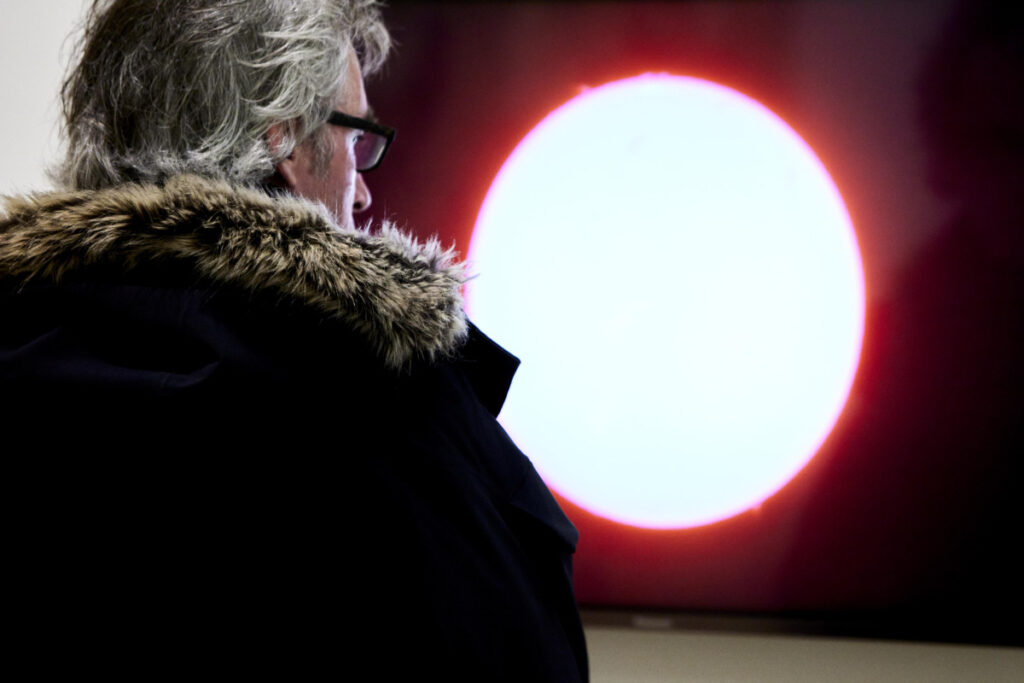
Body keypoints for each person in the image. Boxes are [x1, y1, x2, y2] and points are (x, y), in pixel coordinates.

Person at [0, 1, 588, 679]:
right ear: (281, 140)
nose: (361, 195)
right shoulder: (386, 412)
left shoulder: (20, 350)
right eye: (356, 139)